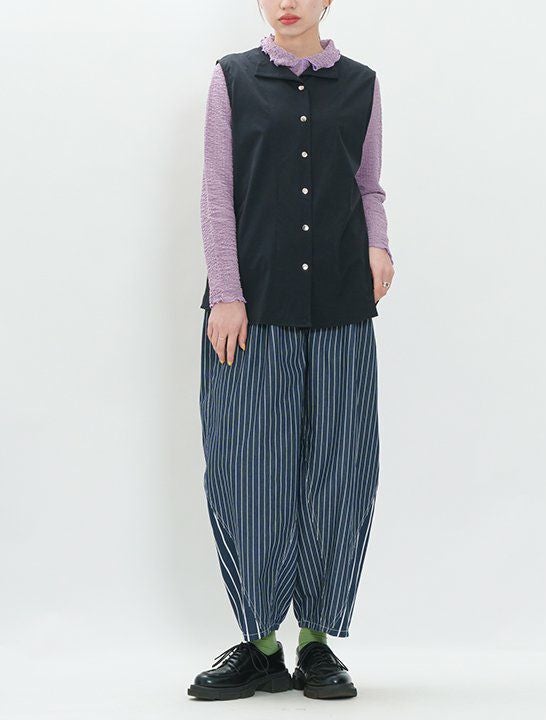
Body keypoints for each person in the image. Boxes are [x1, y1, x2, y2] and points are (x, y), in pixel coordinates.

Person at [187, 0, 394, 702]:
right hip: (253, 307)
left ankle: (316, 643)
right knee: (249, 473)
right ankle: (260, 646)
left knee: (340, 470)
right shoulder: (232, 79)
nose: (287, 4)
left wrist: (378, 244)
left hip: (340, 303)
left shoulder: (361, 84)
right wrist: (226, 292)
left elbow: (367, 184)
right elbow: (217, 192)